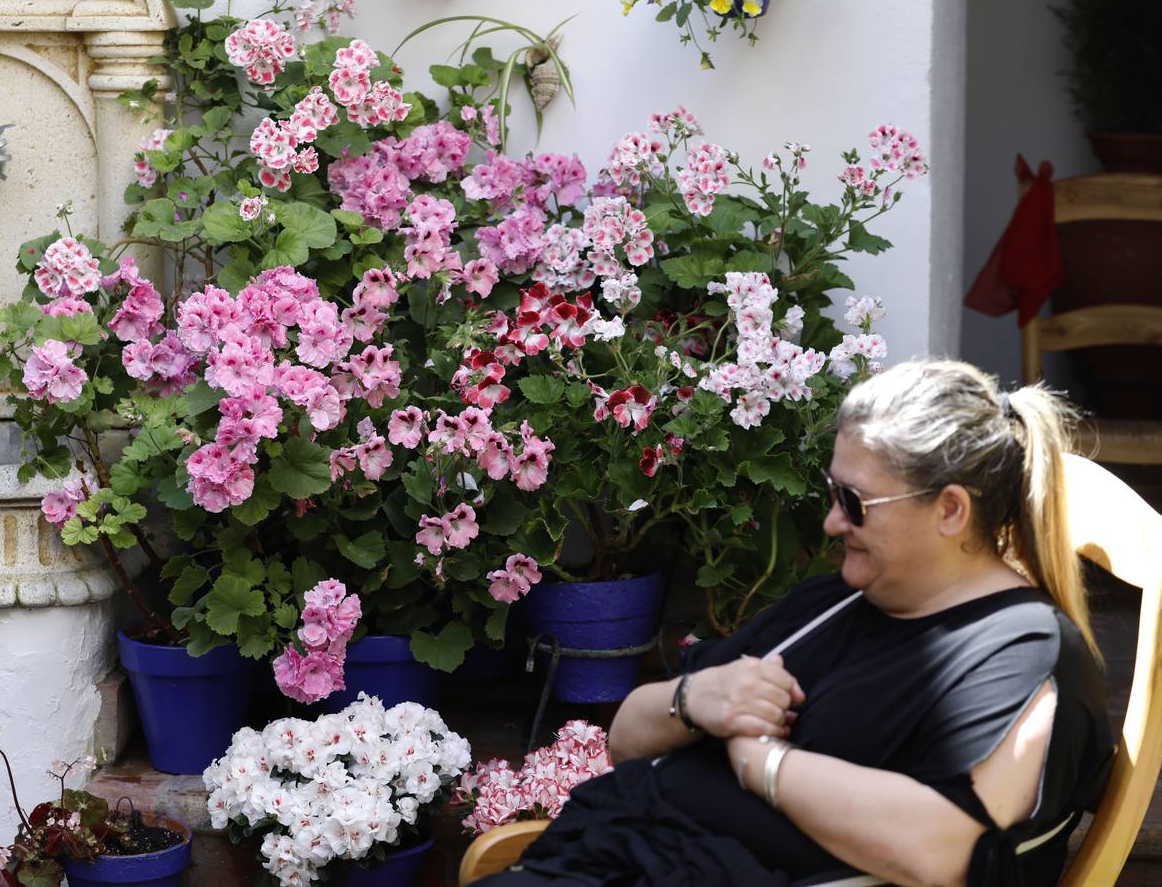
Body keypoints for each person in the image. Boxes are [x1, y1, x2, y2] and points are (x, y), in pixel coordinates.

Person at [476, 360, 1115, 887]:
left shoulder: (1023, 655)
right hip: (608, 856)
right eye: (832, 493)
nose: (834, 523)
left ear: (949, 510)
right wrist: (694, 700)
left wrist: (762, 763)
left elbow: (940, 848)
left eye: (854, 502)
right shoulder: (835, 601)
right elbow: (628, 739)